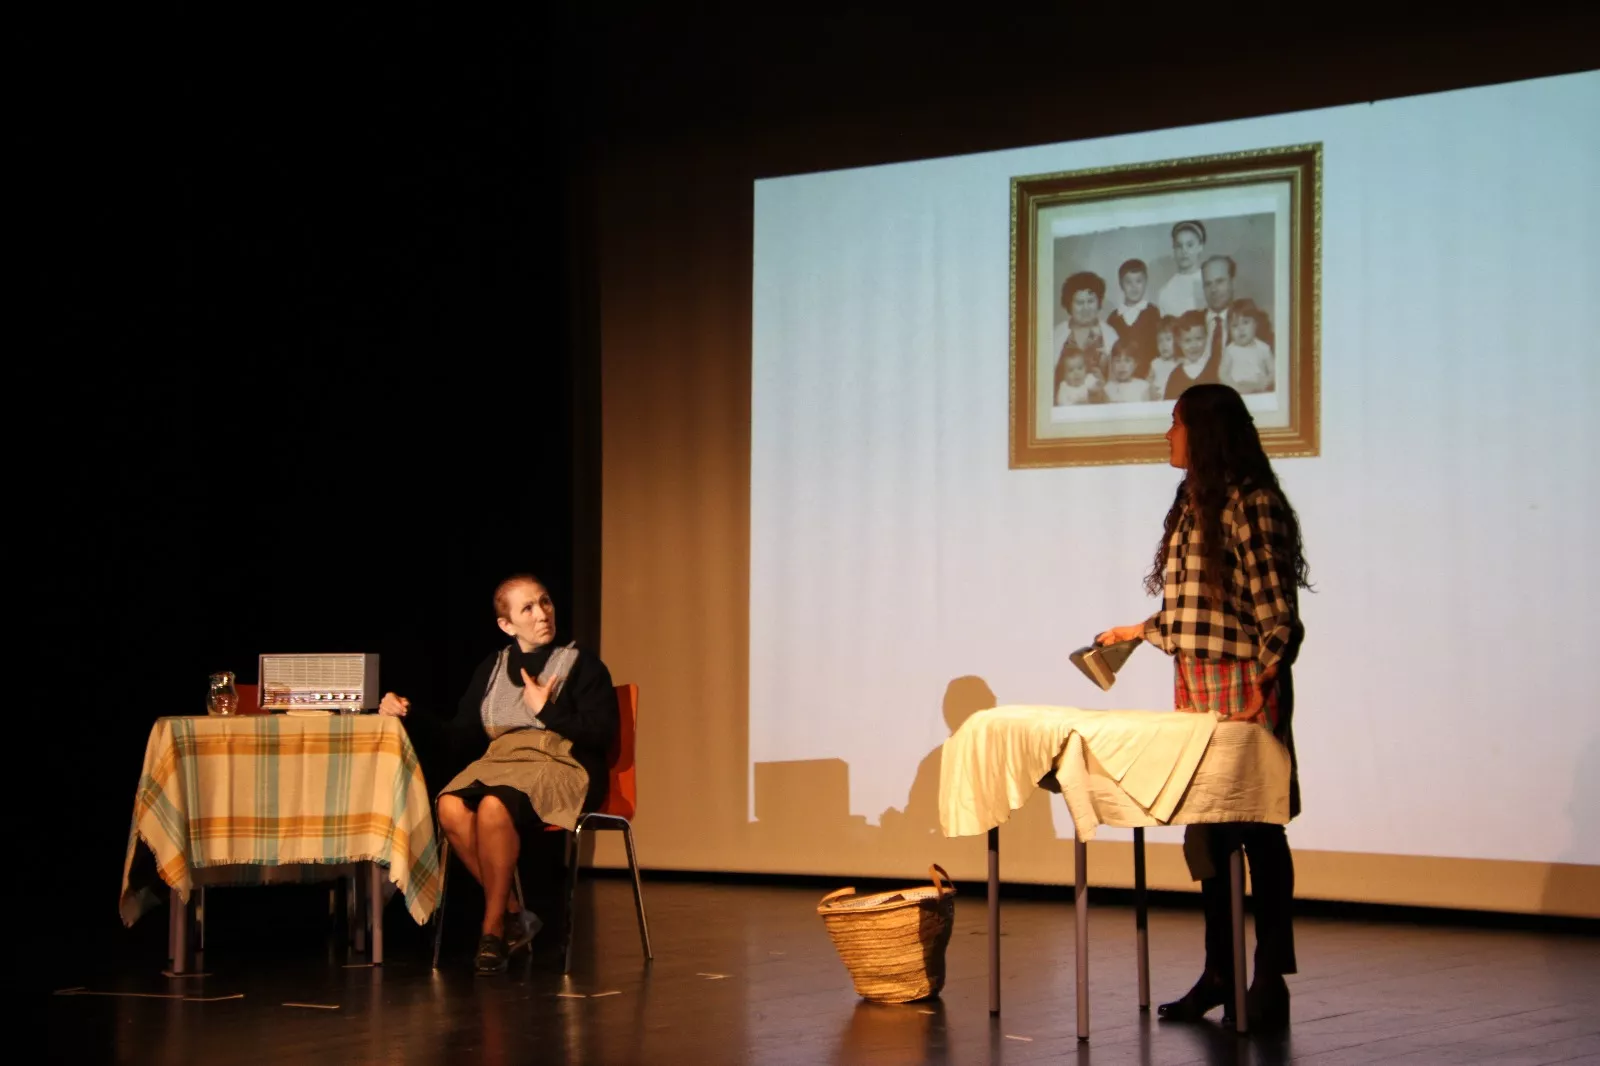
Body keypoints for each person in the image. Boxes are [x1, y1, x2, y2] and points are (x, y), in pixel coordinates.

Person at [1096, 384, 1310, 1032]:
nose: (1168, 435)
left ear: (1205, 433)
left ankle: (1269, 979)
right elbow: (1202, 609)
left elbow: (1277, 615)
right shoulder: (1193, 503)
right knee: (1209, 835)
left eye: (1176, 424)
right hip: (1196, 686)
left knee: (1258, 831)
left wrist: (1262, 692)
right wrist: (1140, 631)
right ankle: (1220, 972)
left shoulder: (1253, 503)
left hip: (1246, 688)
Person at [380, 574, 618, 974]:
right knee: (450, 806)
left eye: (545, 602)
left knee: (493, 805)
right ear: (506, 625)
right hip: (502, 763)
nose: (542, 613)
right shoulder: (493, 667)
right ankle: (513, 915)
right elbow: (459, 737)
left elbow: (602, 735)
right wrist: (409, 712)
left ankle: (490, 931)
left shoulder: (583, 664)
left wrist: (548, 712)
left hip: (563, 765)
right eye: (528, 608)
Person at [1156, 220, 1207, 316]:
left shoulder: (1210, 284)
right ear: (1174, 249)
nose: (1184, 251)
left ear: (1200, 247)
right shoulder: (1166, 292)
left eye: (1190, 245)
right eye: (1179, 246)